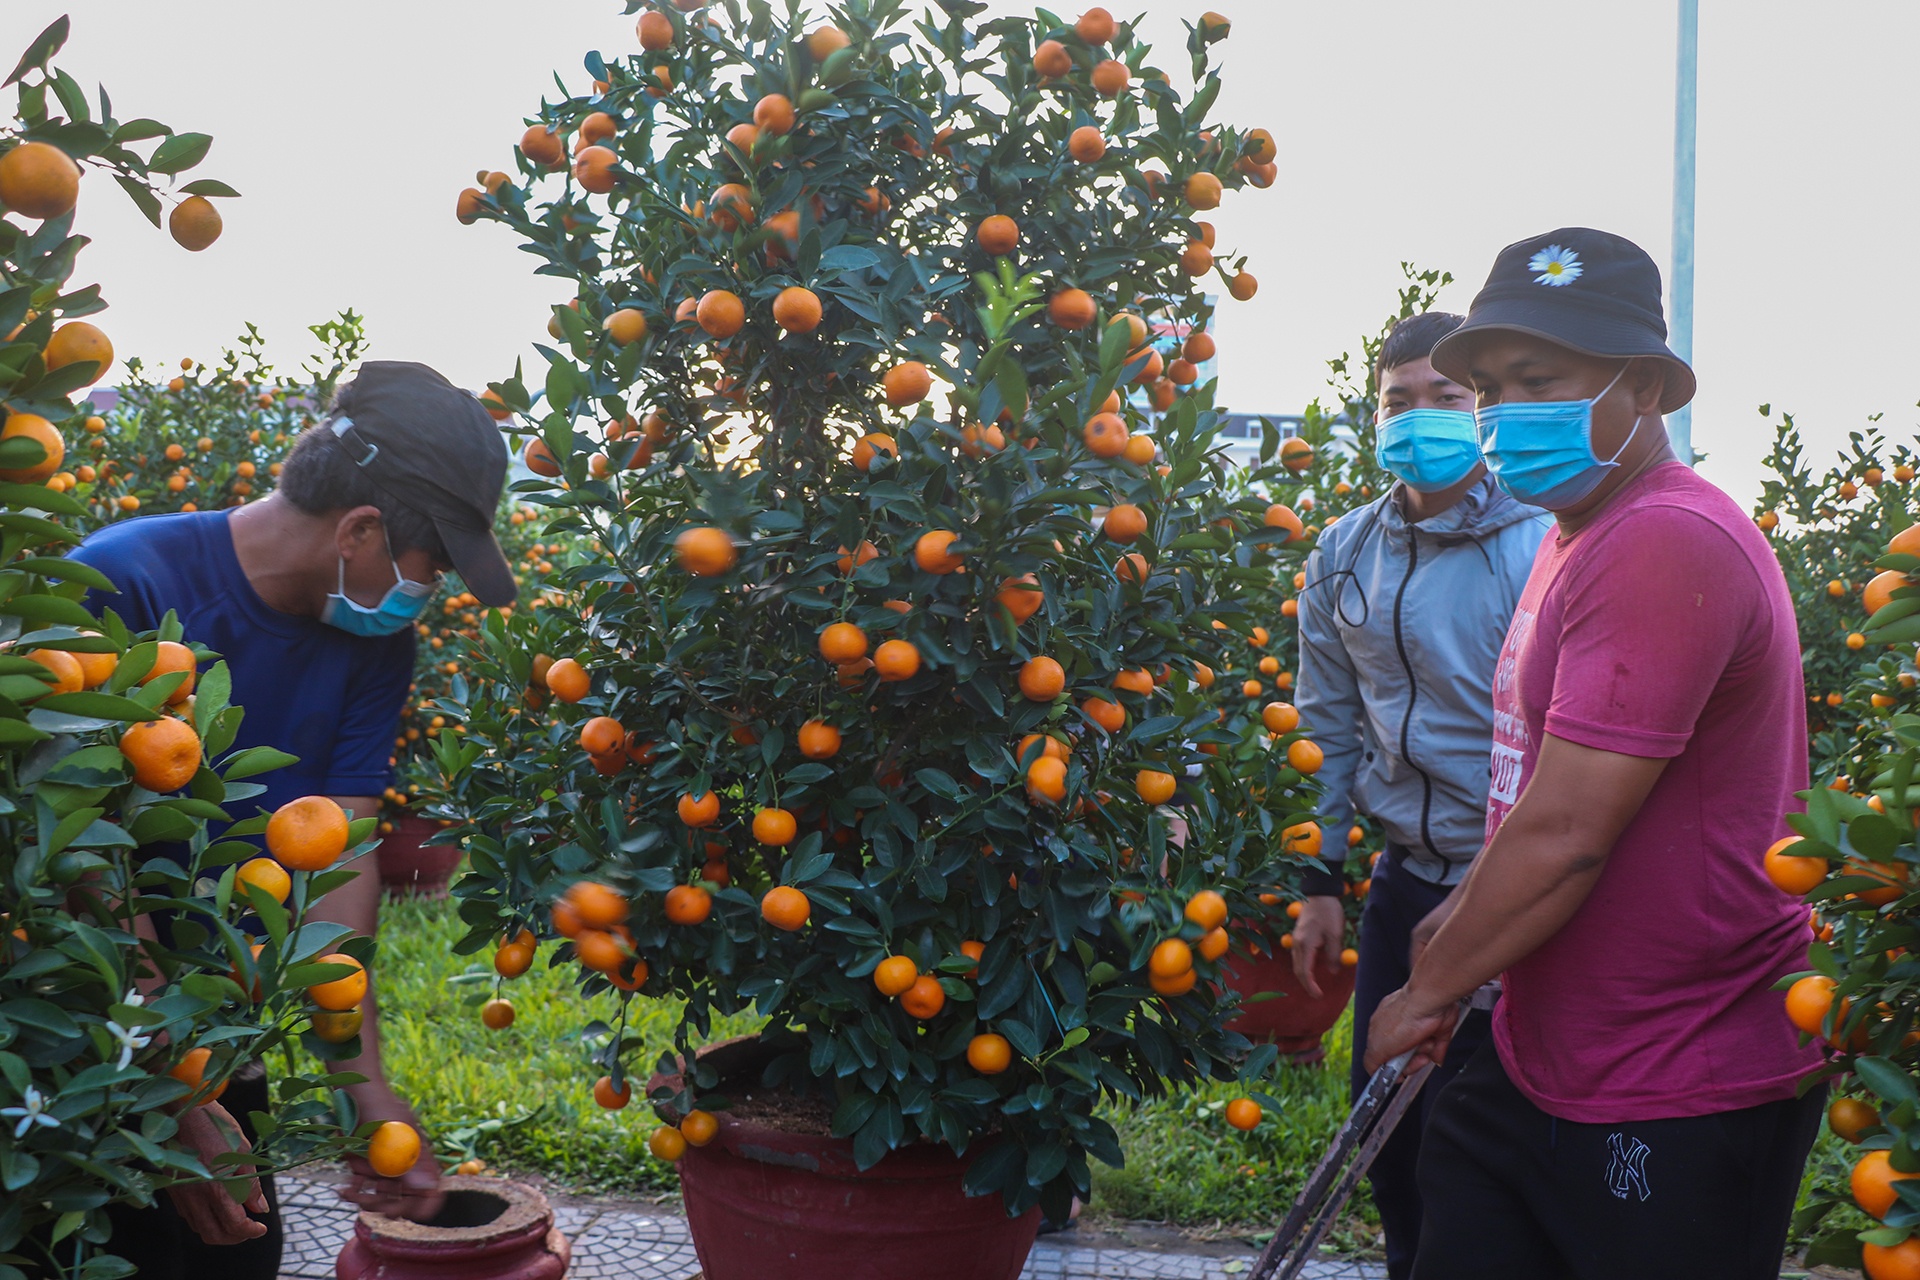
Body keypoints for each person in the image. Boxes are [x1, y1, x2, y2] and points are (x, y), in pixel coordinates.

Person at [1363, 229, 1823, 1280]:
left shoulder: (1665, 539)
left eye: (1539, 380)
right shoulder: (1578, 526)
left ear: (1644, 386)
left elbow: (1571, 832)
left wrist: (1426, 991)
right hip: (1547, 1049)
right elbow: (1533, 782)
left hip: (1675, 1077)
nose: (1504, 414)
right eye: (1490, 389)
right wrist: (1459, 924)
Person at [70, 361, 515, 1278]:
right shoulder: (122, 585)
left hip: (224, 1033)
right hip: (81, 1039)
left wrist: (363, 1090)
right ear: (360, 530)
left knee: (237, 1255)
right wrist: (166, 1092)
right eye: (426, 571)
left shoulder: (375, 646)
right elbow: (80, 867)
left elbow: (338, 865)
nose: (420, 596)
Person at [1291, 312, 1549, 1279]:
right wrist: (1317, 876)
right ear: (1376, 416)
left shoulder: (1541, 546)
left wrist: (1502, 885)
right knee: (1392, 1153)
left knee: (1484, 1159)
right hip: (1404, 890)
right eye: (1402, 401)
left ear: (1482, 411)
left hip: (1517, 894)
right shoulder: (1343, 553)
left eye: (1448, 398)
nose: (1423, 418)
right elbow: (1325, 728)